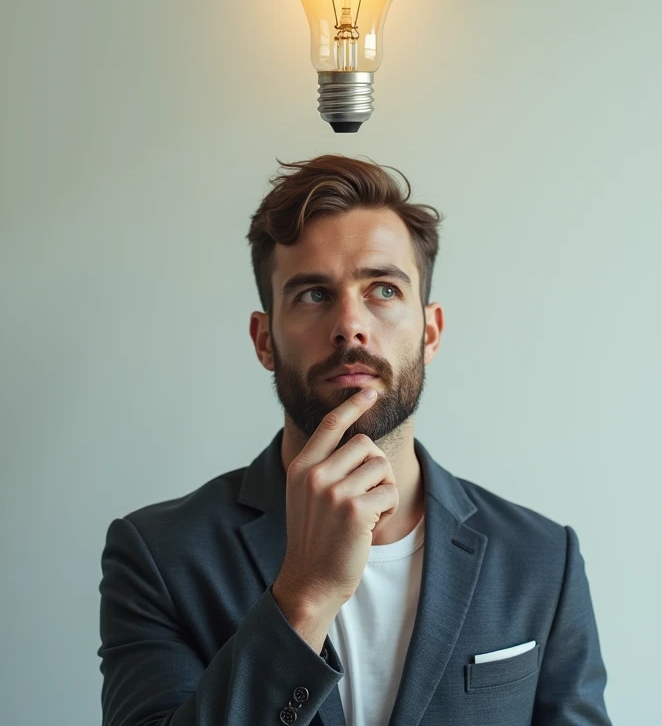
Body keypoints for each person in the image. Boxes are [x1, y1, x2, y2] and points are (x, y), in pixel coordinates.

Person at [97, 154, 613, 725]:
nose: (350, 324)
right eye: (314, 294)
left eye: (384, 290)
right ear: (264, 340)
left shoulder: (542, 560)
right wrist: (305, 595)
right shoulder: (158, 556)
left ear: (430, 331)